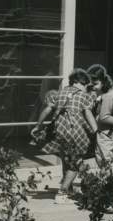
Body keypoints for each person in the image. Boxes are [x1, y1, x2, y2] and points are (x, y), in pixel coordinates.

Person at [36, 68, 99, 204]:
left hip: (60, 132)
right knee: (75, 163)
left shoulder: (59, 93)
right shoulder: (84, 96)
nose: (84, 87)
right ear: (77, 82)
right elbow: (88, 114)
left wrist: (38, 126)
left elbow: (47, 109)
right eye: (84, 84)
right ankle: (62, 192)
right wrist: (95, 130)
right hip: (76, 133)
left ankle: (69, 189)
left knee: (66, 160)